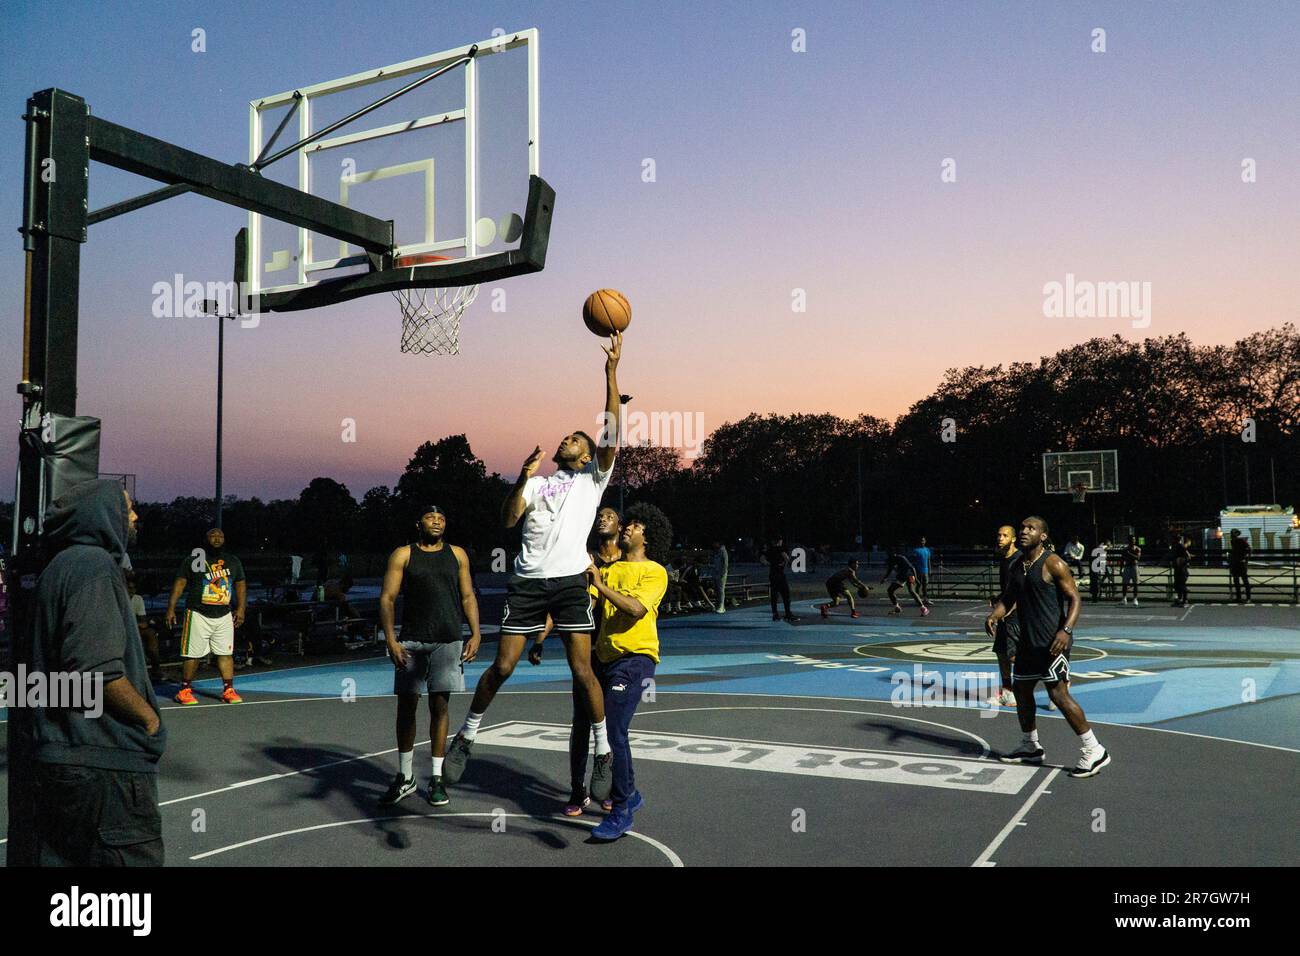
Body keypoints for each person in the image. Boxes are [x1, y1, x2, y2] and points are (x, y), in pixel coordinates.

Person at [443, 331, 623, 798]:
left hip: (567, 583)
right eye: (565, 437)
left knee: (582, 672)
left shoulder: (592, 482)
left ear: (585, 456)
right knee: (502, 666)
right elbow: (508, 520)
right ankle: (465, 737)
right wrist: (520, 478)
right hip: (525, 583)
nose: (566, 440)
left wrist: (609, 372)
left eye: (574, 439)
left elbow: (611, 432)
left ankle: (602, 752)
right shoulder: (538, 484)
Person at [16, 479, 166, 865]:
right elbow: (96, 672)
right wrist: (148, 719)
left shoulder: (57, 569)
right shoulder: (94, 566)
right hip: (104, 766)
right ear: (103, 514)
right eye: (127, 508)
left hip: (59, 758)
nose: (134, 517)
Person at [985, 516, 1109, 778]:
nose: (1024, 531)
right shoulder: (1018, 565)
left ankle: (1095, 749)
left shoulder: (1053, 562)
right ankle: (1030, 746)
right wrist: (995, 614)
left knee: (1058, 695)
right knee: (1021, 689)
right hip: (1029, 643)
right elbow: (1009, 597)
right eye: (1022, 528)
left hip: (1052, 642)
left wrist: (1066, 631)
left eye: (1031, 528)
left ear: (1043, 536)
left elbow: (1075, 598)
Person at [377, 506, 481, 807]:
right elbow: (388, 598)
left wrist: (475, 633)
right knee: (406, 708)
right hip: (411, 641)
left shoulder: (458, 554)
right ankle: (406, 777)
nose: (437, 521)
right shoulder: (403, 554)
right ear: (418, 522)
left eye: (442, 518)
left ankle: (436, 779)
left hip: (448, 641)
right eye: (430, 517)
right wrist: (391, 639)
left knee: (440, 707)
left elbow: (467, 596)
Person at [580, 518, 668, 840]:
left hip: (636, 660)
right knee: (611, 731)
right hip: (605, 659)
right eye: (627, 524)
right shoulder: (610, 571)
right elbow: (590, 605)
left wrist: (600, 584)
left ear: (648, 537)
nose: (629, 528)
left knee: (614, 729)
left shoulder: (654, 572)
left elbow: (635, 609)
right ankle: (629, 794)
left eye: (637, 526)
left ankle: (620, 811)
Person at [166, 527, 246, 704]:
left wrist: (241, 608)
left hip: (223, 613)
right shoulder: (195, 559)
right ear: (205, 539)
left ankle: (228, 689)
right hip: (198, 613)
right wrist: (171, 607)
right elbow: (180, 583)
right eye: (213, 536)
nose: (217, 538)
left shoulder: (232, 561)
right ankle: (185, 689)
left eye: (220, 536)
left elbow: (240, 584)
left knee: (225, 653)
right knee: (192, 654)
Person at [986, 525, 1019, 708]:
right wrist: (998, 599)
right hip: (1005, 612)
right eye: (998, 535)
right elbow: (1008, 590)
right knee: (1001, 653)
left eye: (1005, 536)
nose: (1000, 538)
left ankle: (1054, 677)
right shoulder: (1004, 560)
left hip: (1015, 614)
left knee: (1013, 655)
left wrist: (1004, 611)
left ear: (1013, 539)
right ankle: (1008, 693)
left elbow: (1020, 591)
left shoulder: (1017, 560)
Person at [126, 571, 164, 683]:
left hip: (133, 627)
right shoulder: (119, 598)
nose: (131, 591)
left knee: (150, 633)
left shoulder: (137, 599)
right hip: (120, 628)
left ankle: (156, 670)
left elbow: (143, 620)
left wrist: (144, 624)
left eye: (133, 588)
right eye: (129, 588)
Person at [881, 545, 928, 617]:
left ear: (893, 552)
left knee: (911, 591)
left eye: (890, 552)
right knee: (890, 590)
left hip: (909, 575)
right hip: (901, 577)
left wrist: (916, 579)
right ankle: (897, 607)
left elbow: (912, 567)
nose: (888, 553)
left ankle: (924, 608)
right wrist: (885, 578)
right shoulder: (890, 560)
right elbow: (889, 570)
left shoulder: (901, 558)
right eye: (887, 552)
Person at [761, 537, 796, 622]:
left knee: (774, 594)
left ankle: (775, 614)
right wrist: (785, 563)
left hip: (772, 573)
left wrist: (769, 563)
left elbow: (762, 558)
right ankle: (788, 613)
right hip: (780, 574)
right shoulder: (780, 549)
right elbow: (786, 558)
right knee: (786, 594)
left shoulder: (769, 550)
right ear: (780, 541)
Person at [1229, 529, 1252, 603]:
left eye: (1232, 534)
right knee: (1239, 580)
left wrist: (1246, 559)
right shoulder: (1235, 541)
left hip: (1239, 562)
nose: (1232, 535)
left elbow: (1249, 549)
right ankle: (1243, 597)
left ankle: (1246, 598)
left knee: (1242, 580)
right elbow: (1249, 549)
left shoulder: (1239, 541)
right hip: (1238, 562)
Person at [1171, 534, 1193, 607]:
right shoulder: (1175, 547)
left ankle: (1185, 600)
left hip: (1182, 569)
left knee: (1182, 585)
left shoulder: (1181, 547)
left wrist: (1181, 561)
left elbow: (1188, 557)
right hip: (1177, 569)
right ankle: (1180, 599)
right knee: (1177, 585)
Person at [1120, 535, 1142, 606]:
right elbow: (1122, 560)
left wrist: (1129, 554)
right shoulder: (1125, 549)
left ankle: (1135, 599)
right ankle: (1124, 598)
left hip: (1134, 566)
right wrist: (1121, 569)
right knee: (1124, 584)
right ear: (1129, 541)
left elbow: (1138, 558)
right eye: (1132, 540)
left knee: (1135, 584)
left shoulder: (1137, 549)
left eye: (1134, 540)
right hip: (1127, 566)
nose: (1133, 541)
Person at [912, 537, 933, 606]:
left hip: (925, 570)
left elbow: (929, 560)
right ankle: (917, 599)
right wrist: (914, 571)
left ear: (925, 541)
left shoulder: (927, 549)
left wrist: (930, 570)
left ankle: (925, 599)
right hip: (918, 571)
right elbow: (913, 561)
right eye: (921, 541)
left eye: (923, 540)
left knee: (925, 585)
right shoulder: (915, 550)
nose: (922, 542)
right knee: (918, 585)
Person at [710, 540, 730, 613]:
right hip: (715, 573)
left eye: (715, 543)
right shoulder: (715, 551)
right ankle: (718, 605)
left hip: (721, 574)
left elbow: (725, 563)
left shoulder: (723, 551)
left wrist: (723, 573)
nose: (713, 544)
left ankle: (722, 606)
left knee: (721, 589)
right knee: (717, 590)